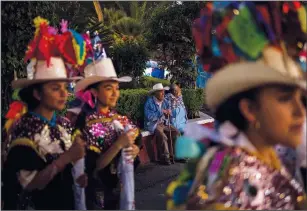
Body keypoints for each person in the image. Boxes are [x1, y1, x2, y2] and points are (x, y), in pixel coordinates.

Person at [166, 2, 307, 210]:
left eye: (302, 99)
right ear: (249, 109)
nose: (300, 111)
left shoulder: (263, 158)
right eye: (285, 98)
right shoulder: (234, 183)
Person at [73, 57, 140, 210]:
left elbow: (135, 144)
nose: (115, 93)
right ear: (95, 92)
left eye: (117, 88)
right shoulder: (84, 122)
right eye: (109, 88)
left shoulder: (120, 119)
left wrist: (134, 150)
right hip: (95, 196)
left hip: (116, 193)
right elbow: (93, 167)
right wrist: (118, 145)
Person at [144, 83, 180, 165]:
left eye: (163, 91)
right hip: (154, 124)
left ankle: (176, 155)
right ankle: (165, 157)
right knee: (162, 136)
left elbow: (170, 114)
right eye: (160, 92)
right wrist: (162, 112)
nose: (163, 93)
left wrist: (169, 113)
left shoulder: (165, 101)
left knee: (176, 132)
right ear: (155, 93)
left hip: (165, 123)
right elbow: (150, 117)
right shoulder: (149, 103)